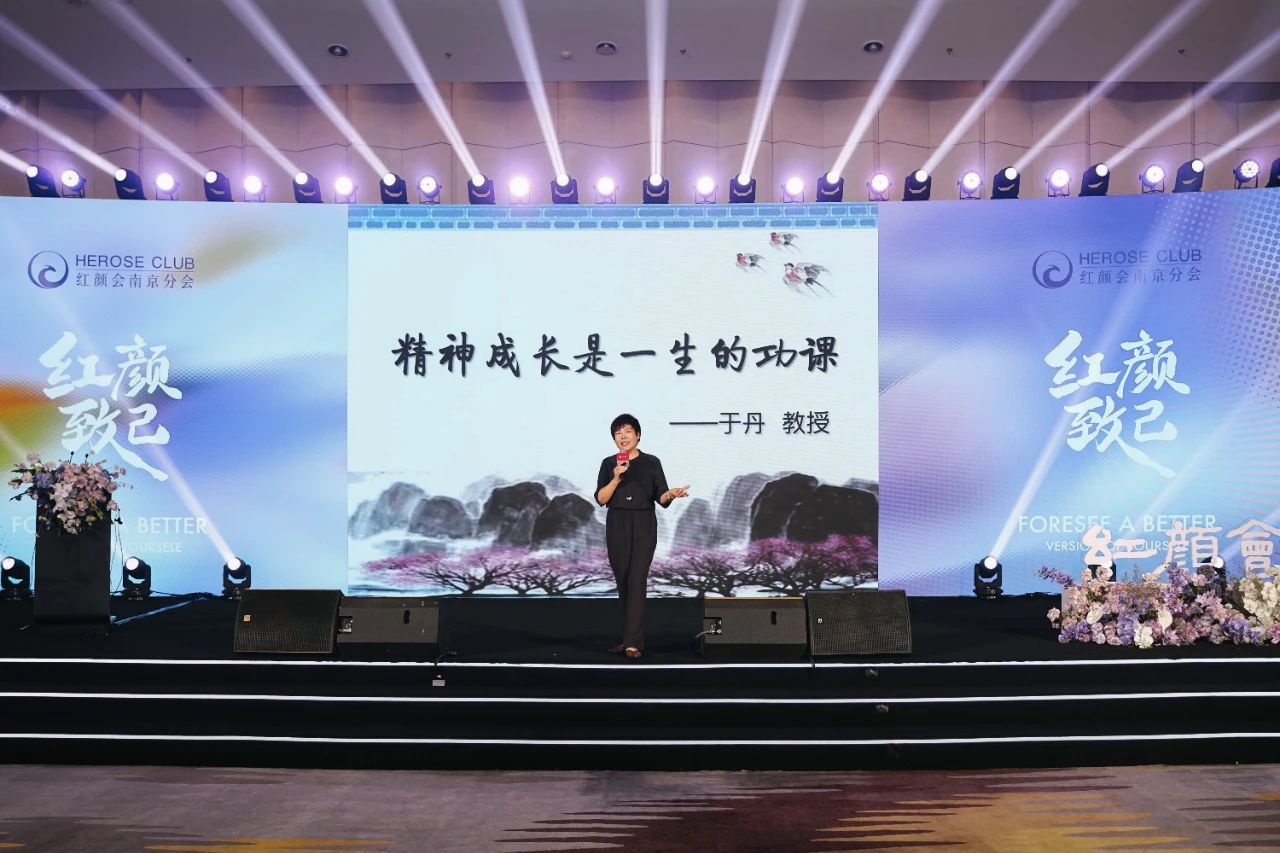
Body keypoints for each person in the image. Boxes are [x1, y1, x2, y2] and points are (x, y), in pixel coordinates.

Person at [594, 413, 689, 659]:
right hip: (617, 522)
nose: (623, 437)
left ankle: (633, 643)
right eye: (618, 433)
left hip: (644, 522)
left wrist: (671, 494)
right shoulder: (608, 464)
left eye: (628, 431)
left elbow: (661, 497)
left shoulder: (651, 462)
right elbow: (601, 499)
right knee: (623, 580)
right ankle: (628, 638)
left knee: (637, 579)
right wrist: (616, 477)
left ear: (638, 435)